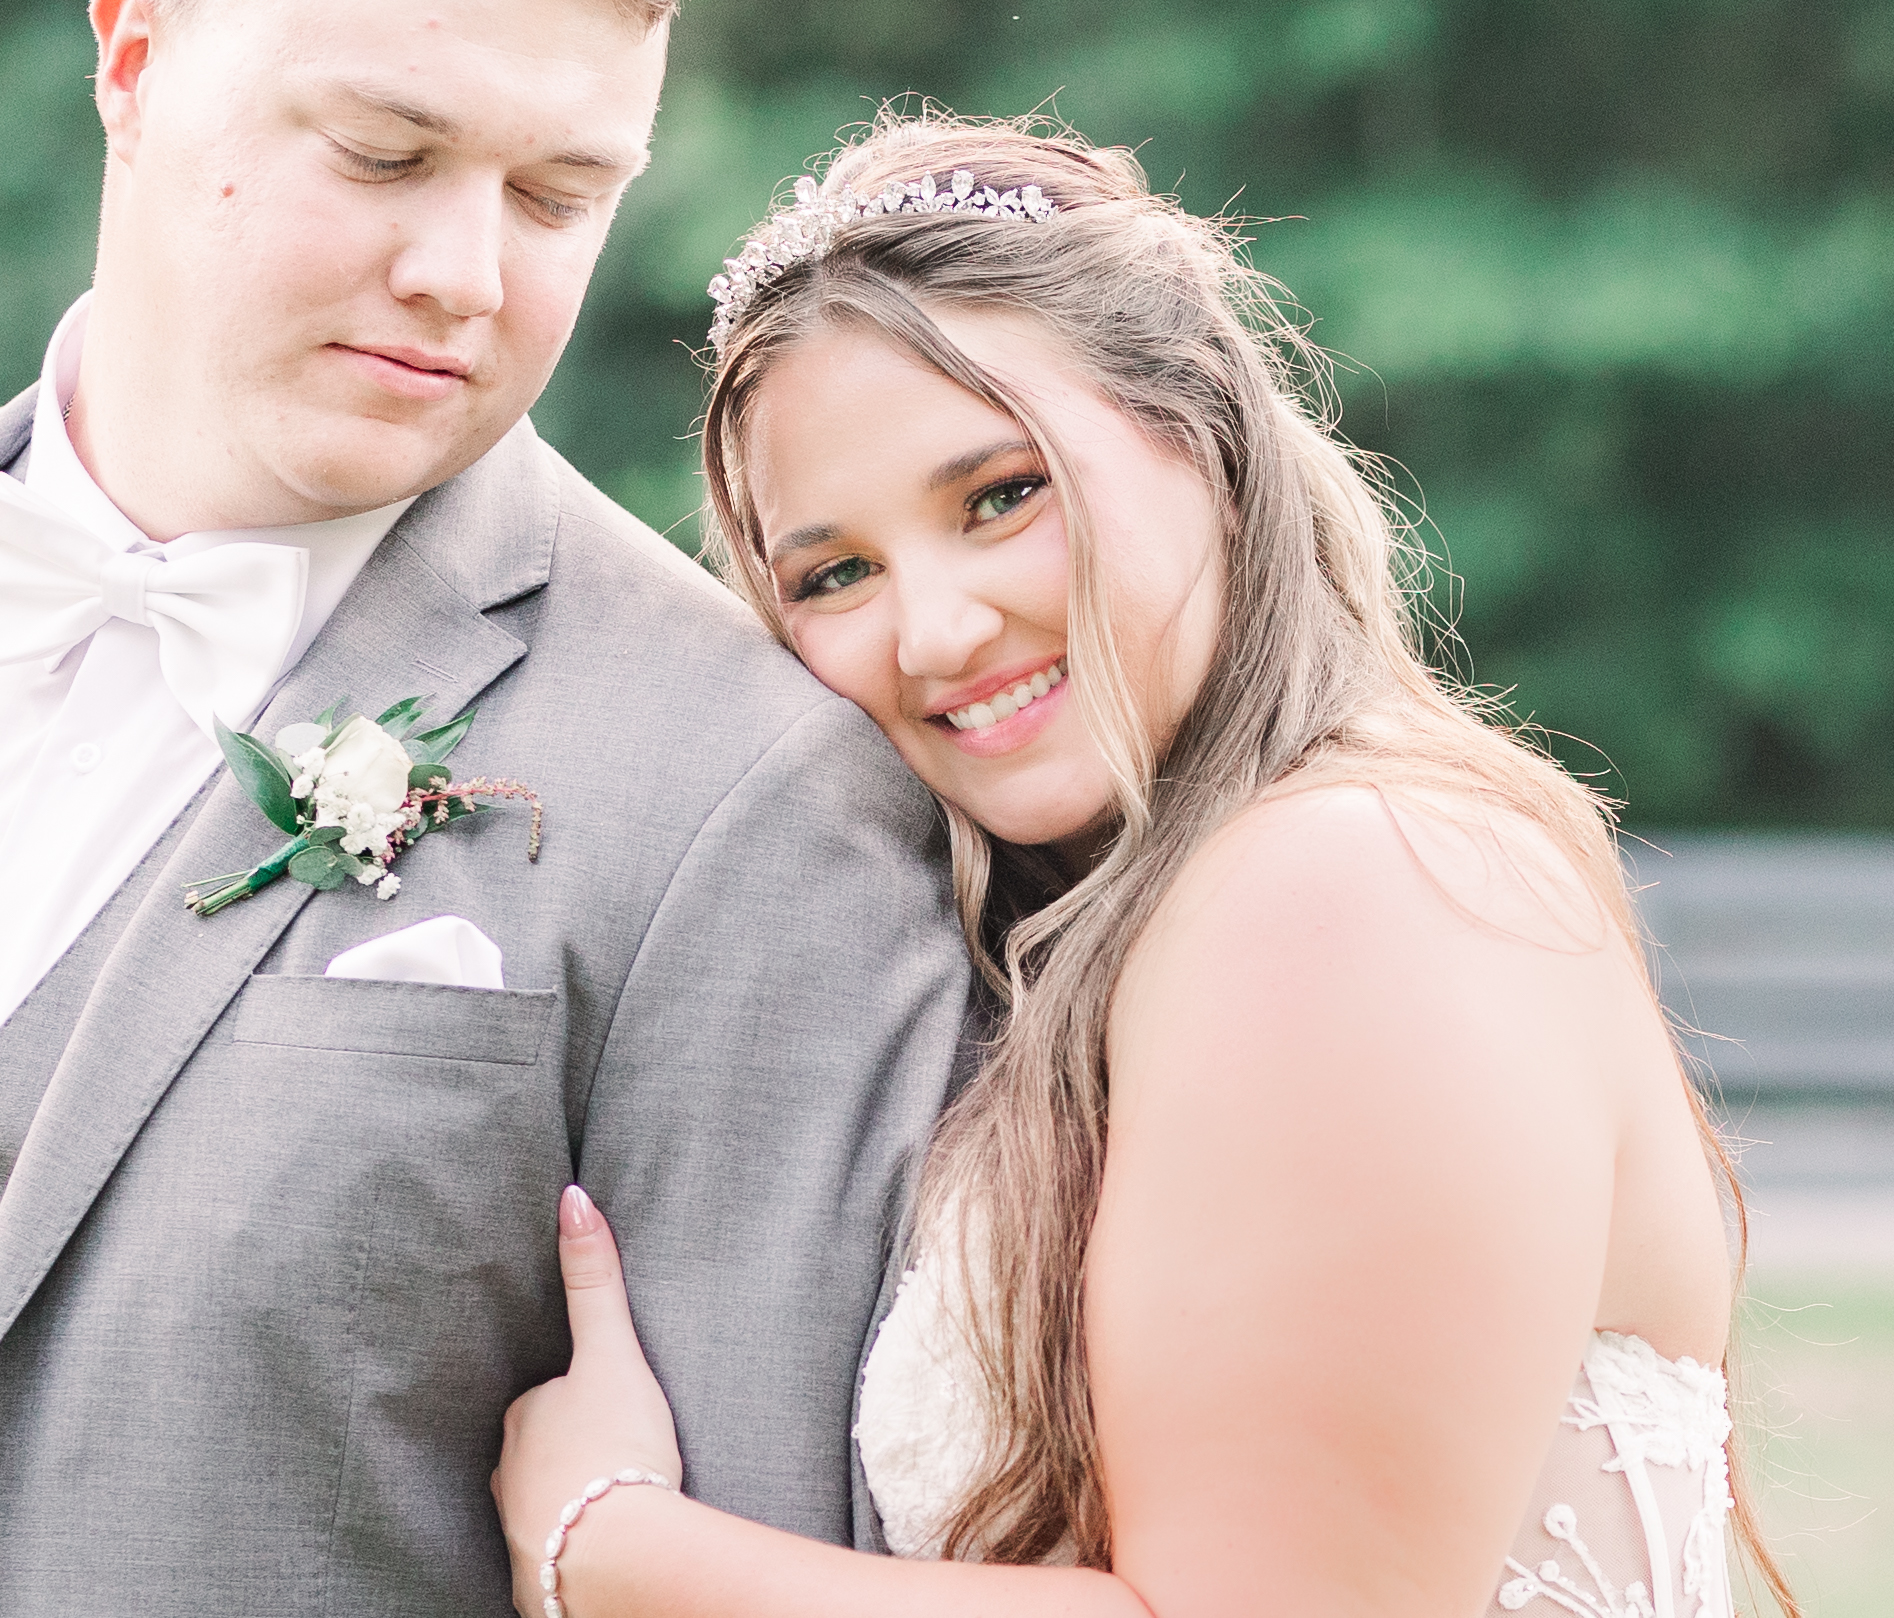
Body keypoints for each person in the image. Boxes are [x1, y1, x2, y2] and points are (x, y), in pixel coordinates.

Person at [491, 114, 1801, 1618]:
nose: (934, 631)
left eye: (1000, 495)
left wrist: (610, 1544)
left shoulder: (1346, 885)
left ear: (1205, 435)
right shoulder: (1160, 918)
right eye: (835, 573)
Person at [0, 4, 969, 1613]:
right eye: (387, 153)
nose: (468, 274)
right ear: (131, 55)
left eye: (559, 194)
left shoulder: (754, 794)